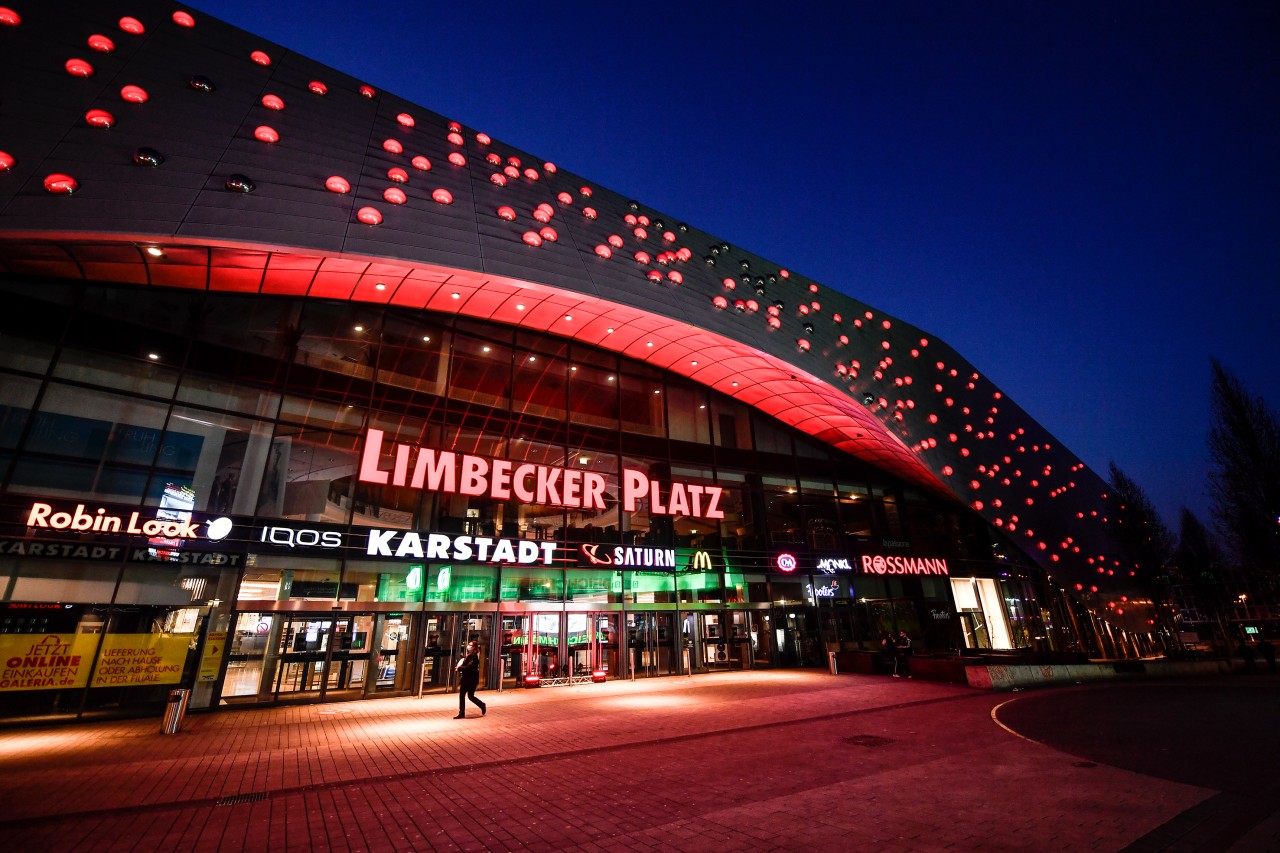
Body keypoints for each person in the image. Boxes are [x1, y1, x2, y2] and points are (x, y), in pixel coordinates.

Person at [454, 640, 486, 719]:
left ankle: (482, 705)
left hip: (472, 680)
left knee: (470, 696)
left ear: (474, 647)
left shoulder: (474, 657)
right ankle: (461, 713)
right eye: (468, 644)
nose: (468, 646)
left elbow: (469, 667)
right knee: (462, 695)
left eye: (470, 645)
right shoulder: (468, 655)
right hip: (465, 679)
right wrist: (459, 667)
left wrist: (459, 668)